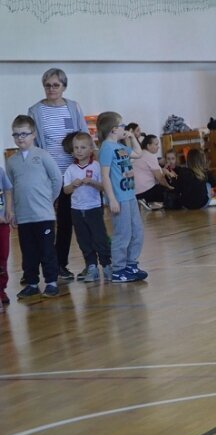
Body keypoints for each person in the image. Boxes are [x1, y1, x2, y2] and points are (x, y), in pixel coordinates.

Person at [28, 68, 90, 281]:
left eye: (55, 85)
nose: (51, 89)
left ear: (64, 86)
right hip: (46, 175)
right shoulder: (35, 110)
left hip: (70, 173)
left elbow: (84, 135)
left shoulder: (72, 107)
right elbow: (33, 143)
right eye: (47, 85)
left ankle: (60, 264)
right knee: (42, 222)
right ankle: (33, 269)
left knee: (65, 222)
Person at [7, 115, 62, 298]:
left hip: (43, 215)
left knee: (47, 251)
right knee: (28, 252)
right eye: (16, 134)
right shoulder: (12, 161)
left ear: (33, 135)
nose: (20, 138)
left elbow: (57, 179)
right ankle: (31, 283)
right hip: (24, 217)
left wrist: (49, 199)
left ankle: (51, 282)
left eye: (24, 134)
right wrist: (12, 210)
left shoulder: (42, 155)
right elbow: (10, 188)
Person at [97, 111, 148, 283]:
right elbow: (105, 176)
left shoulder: (120, 147)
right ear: (113, 129)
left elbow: (138, 154)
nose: (124, 128)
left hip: (130, 195)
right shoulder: (106, 148)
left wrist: (132, 138)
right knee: (122, 233)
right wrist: (111, 199)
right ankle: (118, 269)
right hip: (119, 198)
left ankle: (131, 264)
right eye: (121, 126)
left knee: (137, 232)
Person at [62, 132, 111, 282]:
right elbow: (65, 190)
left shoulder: (96, 167)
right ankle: (91, 266)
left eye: (83, 147)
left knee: (99, 237)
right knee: (83, 239)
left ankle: (107, 264)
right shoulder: (70, 169)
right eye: (76, 147)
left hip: (93, 208)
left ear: (91, 149)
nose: (79, 150)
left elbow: (103, 186)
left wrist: (91, 182)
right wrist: (72, 185)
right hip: (76, 210)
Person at [133, 134, 171, 210]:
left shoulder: (141, 153)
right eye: (156, 144)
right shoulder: (150, 156)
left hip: (135, 192)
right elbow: (160, 178)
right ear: (148, 146)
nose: (158, 146)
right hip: (145, 191)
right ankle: (150, 201)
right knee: (170, 193)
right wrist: (169, 187)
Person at [0, 165, 14, 306]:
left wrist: (9, 210)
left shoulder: (0, 170)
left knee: (3, 256)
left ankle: (1, 289)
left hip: (3, 224)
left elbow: (8, 190)